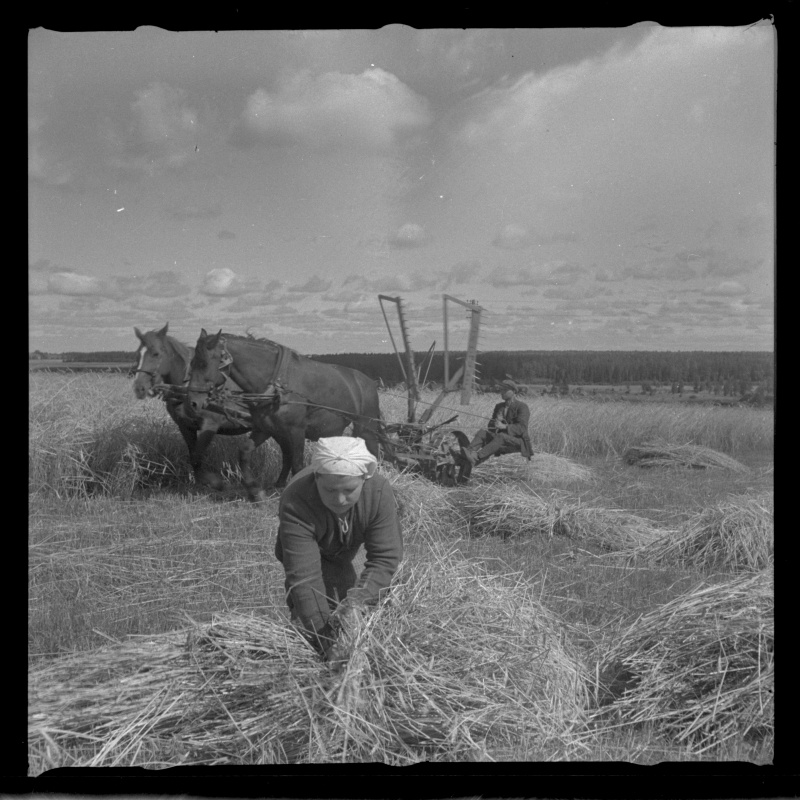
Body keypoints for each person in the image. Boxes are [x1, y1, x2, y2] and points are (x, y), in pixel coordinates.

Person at [275, 436, 403, 662]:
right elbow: (304, 578)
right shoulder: (296, 499)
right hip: (308, 550)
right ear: (316, 479)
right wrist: (325, 642)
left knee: (351, 609)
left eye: (349, 490)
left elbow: (384, 556)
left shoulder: (378, 492)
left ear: (364, 479)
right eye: (330, 490)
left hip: (343, 551)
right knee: (311, 622)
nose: (340, 499)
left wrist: (358, 603)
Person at [462, 380, 533, 466]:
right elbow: (490, 427)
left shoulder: (522, 407)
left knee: (501, 436)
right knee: (482, 433)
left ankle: (477, 458)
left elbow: (522, 428)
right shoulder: (499, 406)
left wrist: (504, 426)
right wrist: (496, 421)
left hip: (518, 442)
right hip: (501, 440)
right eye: (501, 389)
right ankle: (468, 452)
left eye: (505, 390)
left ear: (513, 391)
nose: (501, 392)